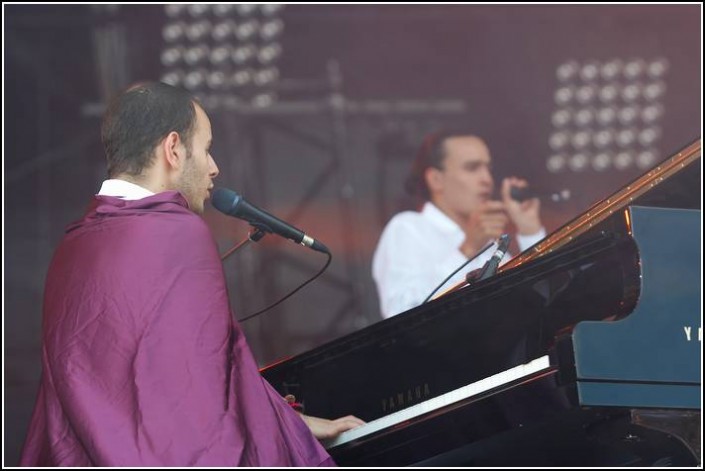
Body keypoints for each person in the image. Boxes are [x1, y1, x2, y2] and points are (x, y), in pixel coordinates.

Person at [20, 82, 363, 467]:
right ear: (173, 149)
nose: (214, 166)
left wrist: (291, 420)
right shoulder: (177, 231)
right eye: (205, 148)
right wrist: (291, 440)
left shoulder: (72, 246)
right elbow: (200, 397)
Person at [372, 131, 546, 318]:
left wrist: (530, 231)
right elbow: (401, 313)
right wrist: (468, 249)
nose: (486, 179)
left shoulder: (489, 241)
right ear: (436, 179)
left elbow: (539, 303)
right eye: (472, 168)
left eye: (488, 168)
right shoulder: (408, 228)